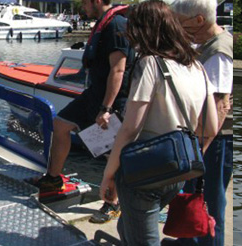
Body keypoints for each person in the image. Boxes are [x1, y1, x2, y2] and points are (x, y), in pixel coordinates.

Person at [98, 2, 219, 245]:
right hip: (177, 172)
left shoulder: (150, 64)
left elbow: (131, 128)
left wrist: (108, 175)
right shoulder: (197, 66)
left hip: (144, 172)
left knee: (143, 237)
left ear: (142, 31)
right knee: (129, 225)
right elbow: (211, 128)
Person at [33, 0, 135, 223]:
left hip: (111, 100)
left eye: (85, 2)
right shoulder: (103, 22)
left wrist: (107, 108)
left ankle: (112, 203)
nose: (82, 5)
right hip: (93, 94)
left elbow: (118, 69)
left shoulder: (117, 25)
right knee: (60, 123)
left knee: (112, 152)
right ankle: (53, 179)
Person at [168, 1, 234, 246]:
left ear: (198, 20)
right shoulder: (204, 43)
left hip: (213, 139)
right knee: (193, 193)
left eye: (179, 22)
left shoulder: (218, 51)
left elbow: (218, 106)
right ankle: (188, 240)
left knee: (209, 199)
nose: (177, 28)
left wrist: (200, 149)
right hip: (200, 134)